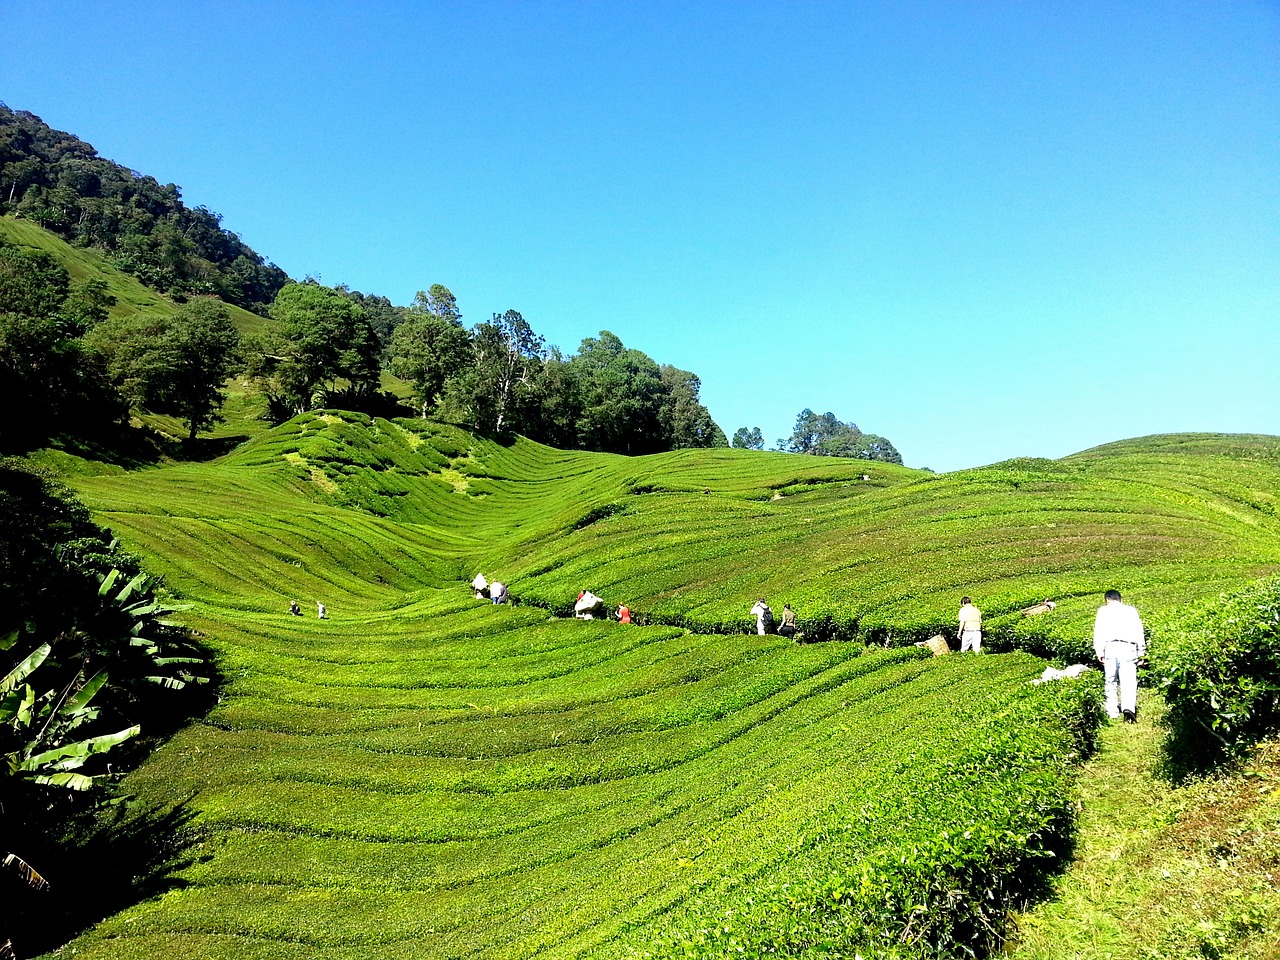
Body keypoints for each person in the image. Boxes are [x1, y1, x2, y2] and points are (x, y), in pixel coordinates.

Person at [1092, 589, 1146, 722]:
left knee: (1111, 680)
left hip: (1110, 647)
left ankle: (1112, 711)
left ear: (1107, 600)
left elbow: (1098, 632)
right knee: (1128, 680)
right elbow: (1139, 630)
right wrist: (1141, 651)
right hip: (1129, 647)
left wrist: (1099, 651)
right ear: (1120, 599)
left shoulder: (1102, 611)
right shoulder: (1131, 610)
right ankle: (1128, 708)